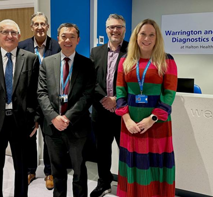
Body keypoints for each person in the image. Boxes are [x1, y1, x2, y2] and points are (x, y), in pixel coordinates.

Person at [0, 19, 40, 197]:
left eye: (13, 32)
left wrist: (35, 120)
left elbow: (36, 93)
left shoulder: (31, 59)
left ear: (19, 36)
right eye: (5, 32)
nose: (9, 36)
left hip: (22, 122)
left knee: (22, 167)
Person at [115, 19, 177, 197]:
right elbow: (120, 92)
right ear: (136, 36)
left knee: (155, 165)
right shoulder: (125, 61)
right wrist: (126, 119)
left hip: (157, 124)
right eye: (143, 34)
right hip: (131, 124)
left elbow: (169, 93)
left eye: (151, 34)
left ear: (157, 38)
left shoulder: (167, 60)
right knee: (134, 164)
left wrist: (152, 119)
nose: (146, 38)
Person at [37, 23, 95, 197]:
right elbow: (41, 93)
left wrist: (68, 117)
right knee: (58, 171)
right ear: (58, 39)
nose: (67, 40)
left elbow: (88, 95)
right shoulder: (47, 63)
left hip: (78, 126)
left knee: (79, 171)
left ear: (78, 40)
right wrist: (54, 117)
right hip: (52, 127)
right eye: (63, 36)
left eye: (71, 36)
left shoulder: (87, 64)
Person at [18, 12, 60, 189]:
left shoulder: (57, 46)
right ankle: (30, 170)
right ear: (32, 27)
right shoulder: (22, 46)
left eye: (43, 24)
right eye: (37, 24)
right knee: (29, 138)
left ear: (47, 27)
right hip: (29, 101)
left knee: (50, 138)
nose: (40, 27)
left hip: (50, 101)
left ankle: (50, 172)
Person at [90, 13, 128, 197]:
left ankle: (128, 186)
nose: (115, 30)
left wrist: (117, 100)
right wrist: (105, 98)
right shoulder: (95, 52)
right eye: (111, 27)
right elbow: (91, 80)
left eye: (118, 27)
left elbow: (136, 82)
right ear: (106, 30)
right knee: (102, 152)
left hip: (125, 113)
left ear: (124, 29)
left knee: (127, 152)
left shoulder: (133, 51)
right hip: (100, 111)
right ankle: (104, 183)